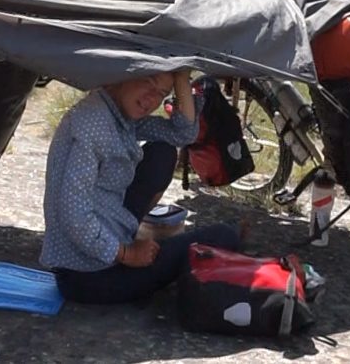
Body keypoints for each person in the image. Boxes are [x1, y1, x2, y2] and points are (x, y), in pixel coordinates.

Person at [40, 69, 241, 304]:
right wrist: (127, 254)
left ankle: (131, 238)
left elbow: (183, 134)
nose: (151, 99)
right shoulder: (93, 122)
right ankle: (130, 247)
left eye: (161, 93)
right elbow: (73, 214)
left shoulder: (118, 113)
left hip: (109, 231)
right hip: (88, 275)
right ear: (122, 75)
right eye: (147, 83)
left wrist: (180, 78)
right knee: (223, 236)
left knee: (162, 152)